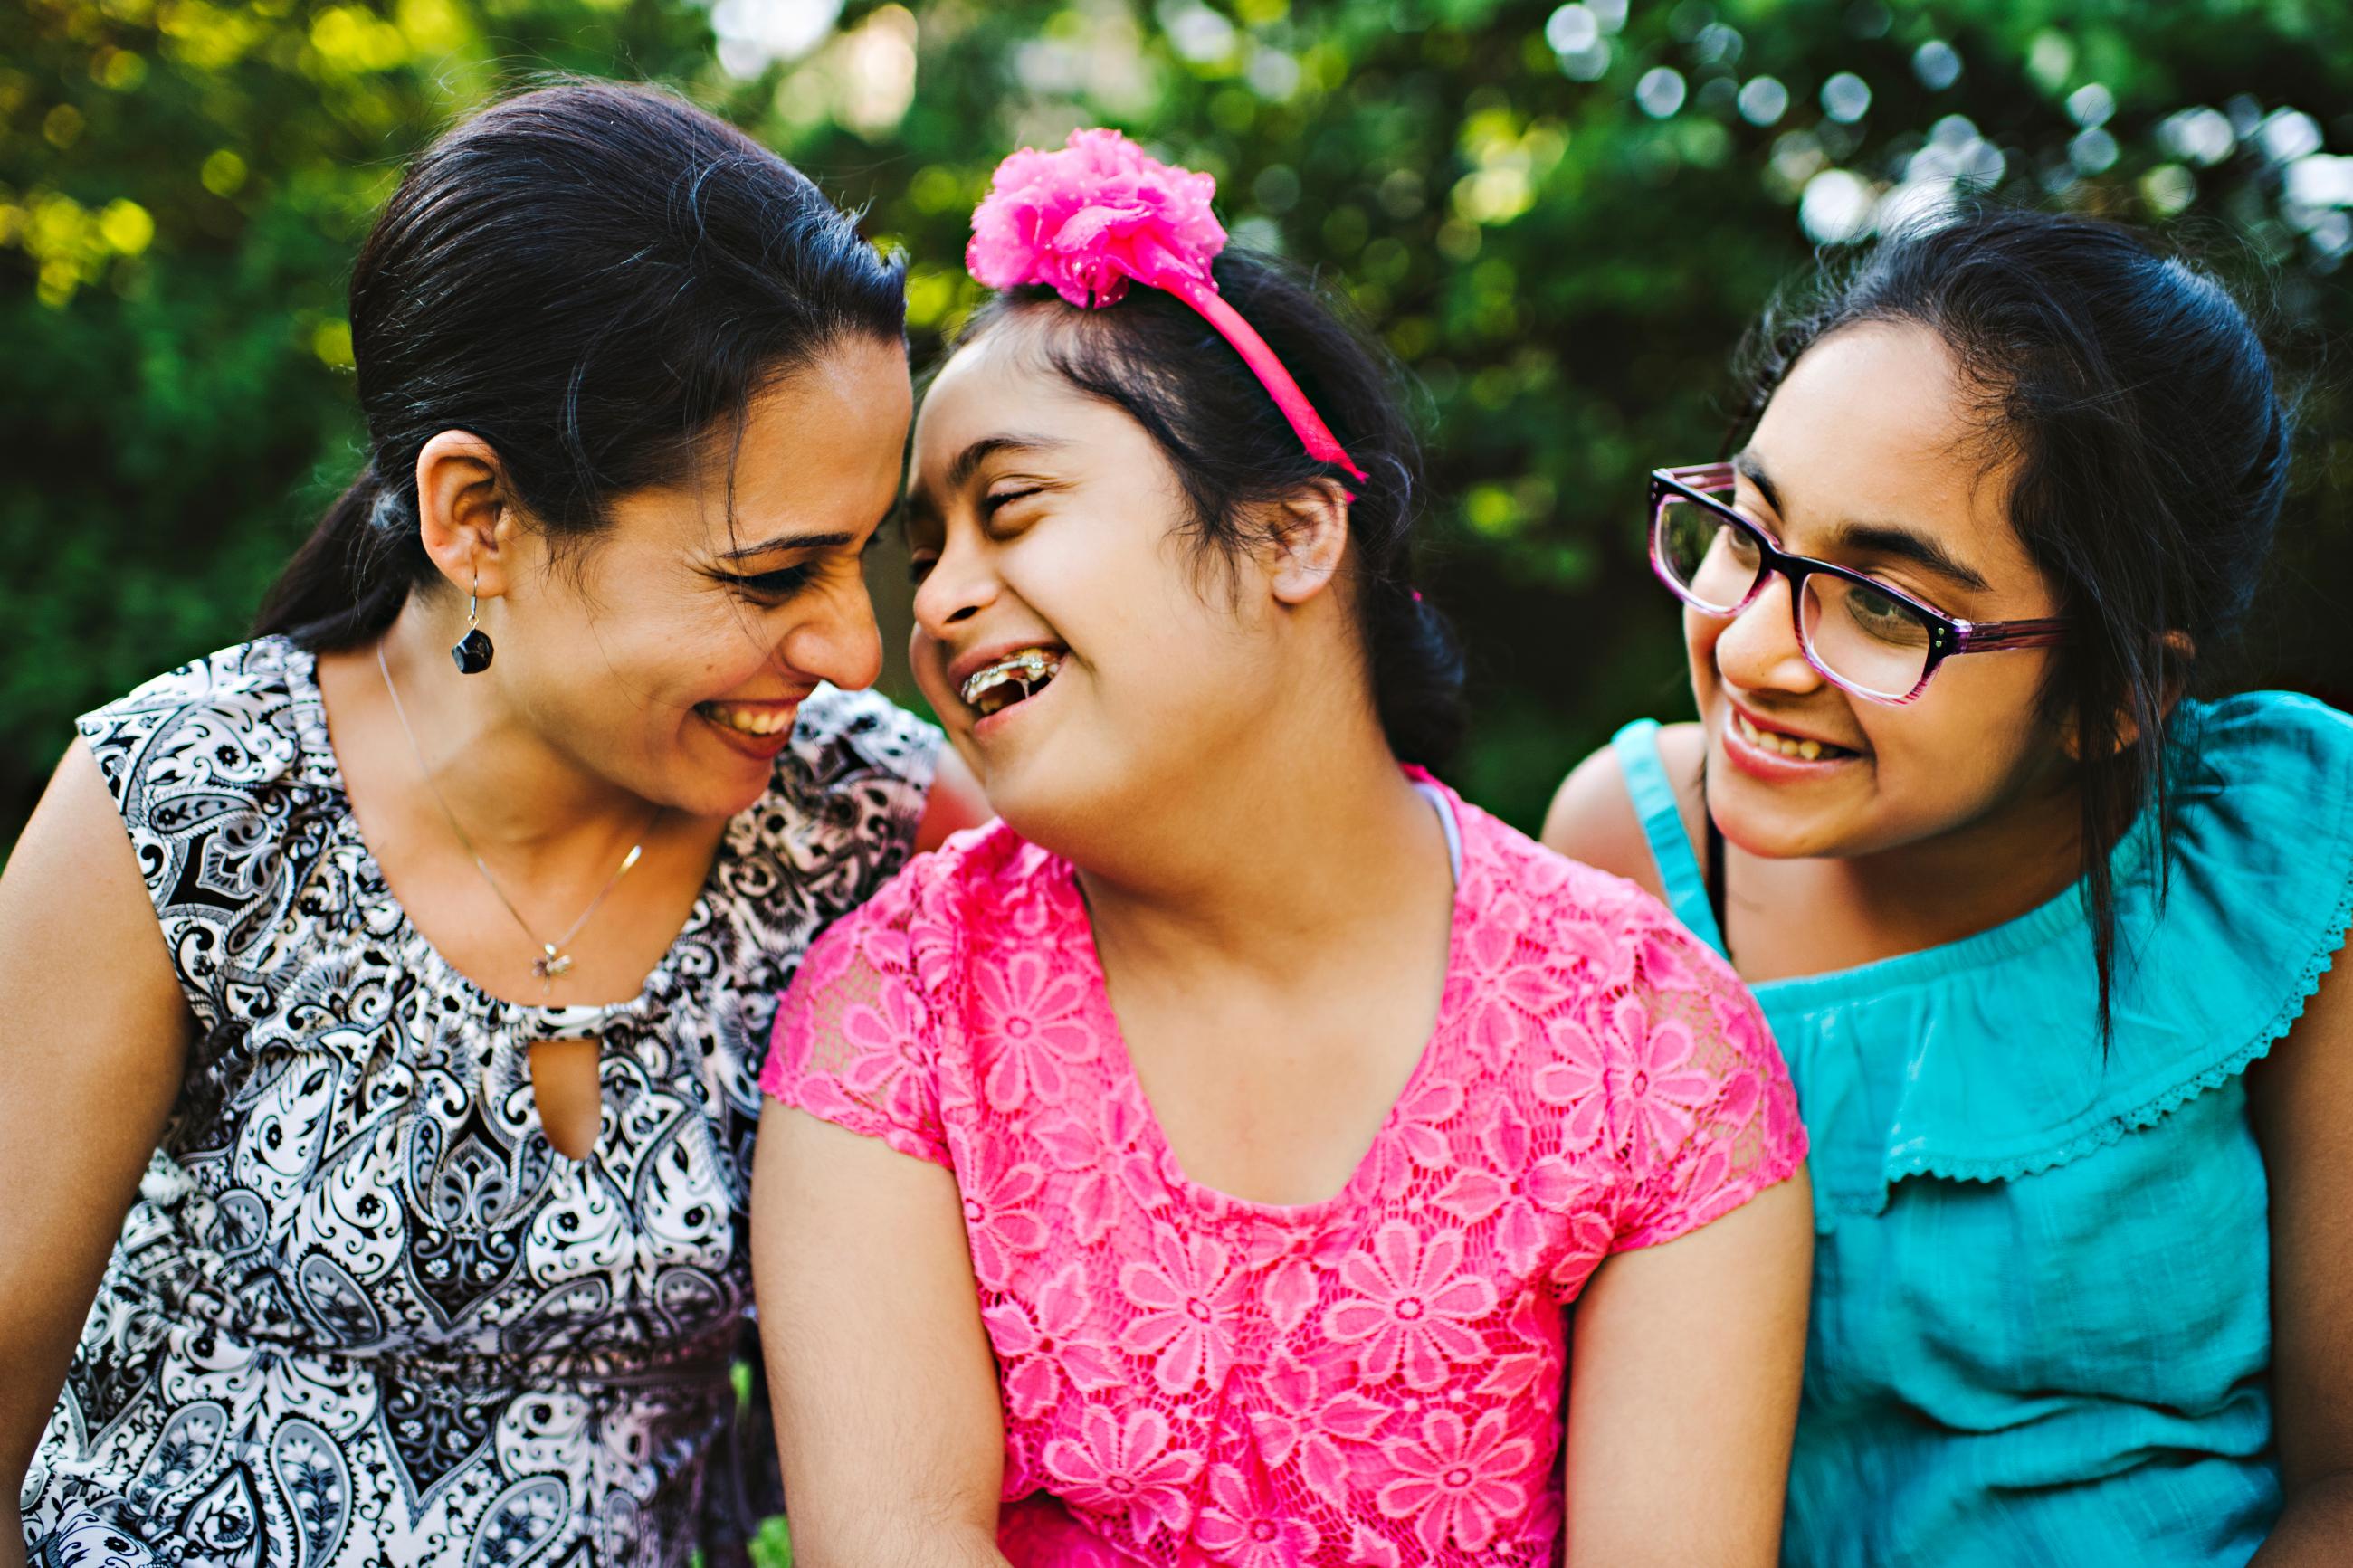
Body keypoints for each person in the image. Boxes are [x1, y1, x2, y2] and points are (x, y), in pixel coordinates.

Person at [753, 128, 1812, 1567]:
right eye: (924, 547)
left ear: (1294, 533)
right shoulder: (896, 1012)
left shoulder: (1653, 1045)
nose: (935, 604)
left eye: (1008, 510)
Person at [1, 80, 984, 1568]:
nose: (854, 647)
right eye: (770, 575)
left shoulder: (871, 822)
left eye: (865, 556)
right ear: (478, 518)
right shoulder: (182, 805)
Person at [1541, 206, 2353, 1567]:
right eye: (1746, 529)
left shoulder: (2278, 859)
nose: (1751, 649)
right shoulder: (1631, 845)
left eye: (1881, 605)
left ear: (2116, 695)